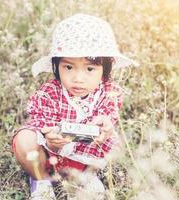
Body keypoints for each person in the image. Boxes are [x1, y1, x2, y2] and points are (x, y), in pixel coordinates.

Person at [12, 14, 138, 199]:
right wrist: (49, 140)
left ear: (105, 68)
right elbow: (41, 122)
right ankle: (41, 180)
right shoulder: (49, 92)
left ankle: (86, 176)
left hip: (83, 158)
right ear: (56, 66)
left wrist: (106, 125)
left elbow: (109, 116)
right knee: (24, 139)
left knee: (114, 144)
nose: (78, 78)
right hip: (48, 158)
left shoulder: (109, 91)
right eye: (68, 67)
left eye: (89, 69)